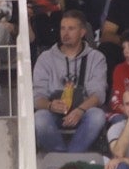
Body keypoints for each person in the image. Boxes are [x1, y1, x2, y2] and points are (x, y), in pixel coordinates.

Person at [32, 11, 109, 153]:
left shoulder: (96, 58)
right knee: (40, 118)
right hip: (54, 111)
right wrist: (50, 105)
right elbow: (37, 96)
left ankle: (71, 156)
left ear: (82, 32)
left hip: (83, 109)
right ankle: (62, 155)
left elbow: (98, 94)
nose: (65, 33)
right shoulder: (46, 57)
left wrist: (80, 110)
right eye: (63, 28)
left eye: (71, 28)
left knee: (97, 116)